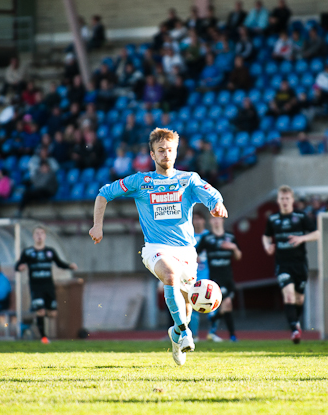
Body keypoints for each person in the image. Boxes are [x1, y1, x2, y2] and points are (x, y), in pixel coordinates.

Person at [90, 128, 227, 366]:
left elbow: (211, 193)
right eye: (161, 150)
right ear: (152, 155)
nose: (166, 154)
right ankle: (184, 332)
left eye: (170, 150)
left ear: (176, 153)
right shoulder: (141, 181)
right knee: (170, 276)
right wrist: (97, 225)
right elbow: (103, 194)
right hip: (156, 248)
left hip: (186, 251)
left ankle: (175, 334)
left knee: (186, 304)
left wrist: (217, 205)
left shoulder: (188, 180)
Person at [262, 185, 320, 344]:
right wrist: (267, 246)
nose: (285, 201)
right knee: (288, 294)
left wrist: (302, 239)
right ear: (278, 201)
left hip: (300, 263)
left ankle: (297, 322)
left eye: (287, 198)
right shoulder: (273, 219)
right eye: (282, 198)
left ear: (292, 200)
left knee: (299, 299)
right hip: (282, 263)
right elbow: (266, 236)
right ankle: (294, 329)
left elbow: (317, 233)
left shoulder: (301, 216)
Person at [16, 226, 77, 343]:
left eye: (41, 233)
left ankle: (33, 321)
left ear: (44, 236)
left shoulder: (50, 251)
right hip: (36, 287)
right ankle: (43, 337)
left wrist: (69, 266)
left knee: (52, 313)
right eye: (37, 233)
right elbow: (17, 265)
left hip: (48, 286)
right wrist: (20, 267)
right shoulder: (28, 252)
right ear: (33, 237)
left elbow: (59, 263)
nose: (39, 236)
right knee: (41, 311)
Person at [197, 216, 241, 342]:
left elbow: (238, 256)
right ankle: (232, 336)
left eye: (218, 219)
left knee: (227, 307)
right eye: (213, 219)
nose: (216, 221)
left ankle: (214, 325)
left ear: (222, 220)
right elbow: (196, 252)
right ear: (210, 221)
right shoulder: (207, 238)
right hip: (215, 279)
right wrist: (197, 258)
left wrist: (234, 248)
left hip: (228, 277)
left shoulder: (230, 237)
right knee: (227, 303)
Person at [189, 211, 210, 341]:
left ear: (204, 221)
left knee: (212, 304)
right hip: (192, 276)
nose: (196, 221)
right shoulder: (188, 236)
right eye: (194, 219)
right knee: (192, 305)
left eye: (199, 218)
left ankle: (212, 333)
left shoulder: (209, 236)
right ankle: (194, 335)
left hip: (208, 274)